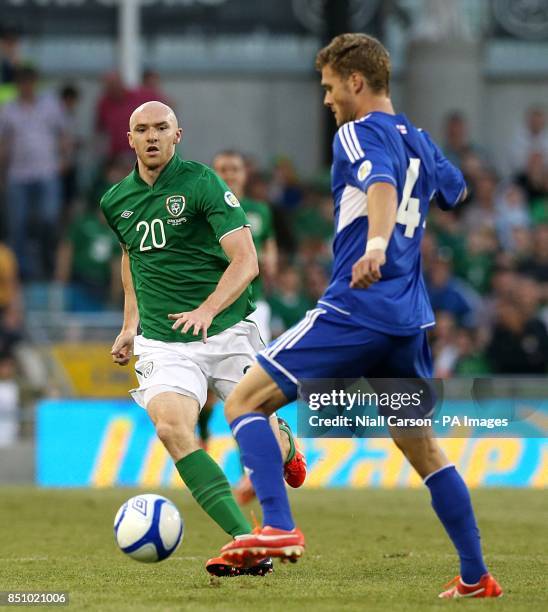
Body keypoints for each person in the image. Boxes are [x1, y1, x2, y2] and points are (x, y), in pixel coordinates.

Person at [217, 34, 503, 599]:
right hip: (409, 321)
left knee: (243, 401)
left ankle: (276, 525)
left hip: (358, 307)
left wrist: (376, 243)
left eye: (328, 87)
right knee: (421, 445)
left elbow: (379, 182)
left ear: (355, 82)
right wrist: (418, 163)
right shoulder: (417, 138)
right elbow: (456, 189)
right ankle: (476, 575)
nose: (326, 100)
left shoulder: (357, 131)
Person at [100, 101, 303, 578]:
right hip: (163, 342)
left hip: (229, 330)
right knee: (172, 429)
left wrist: (206, 310)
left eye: (161, 129)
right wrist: (130, 324)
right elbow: (133, 260)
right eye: (141, 129)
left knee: (259, 431)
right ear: (129, 139)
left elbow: (246, 261)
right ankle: (245, 540)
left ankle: (285, 446)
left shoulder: (202, 183)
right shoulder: (115, 201)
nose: (151, 136)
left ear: (178, 135)